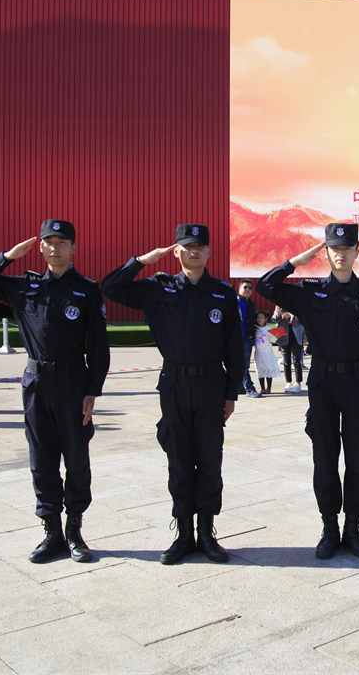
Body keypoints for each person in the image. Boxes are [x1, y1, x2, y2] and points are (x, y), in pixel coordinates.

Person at [102, 223, 243, 566]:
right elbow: (111, 287)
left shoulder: (223, 294)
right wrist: (142, 260)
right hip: (174, 384)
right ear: (176, 250)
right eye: (187, 246)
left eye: (200, 246)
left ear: (209, 252)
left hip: (211, 384)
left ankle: (207, 533)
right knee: (178, 458)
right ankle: (183, 533)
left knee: (209, 460)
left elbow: (236, 348)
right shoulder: (157, 287)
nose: (194, 251)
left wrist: (231, 393)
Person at [0, 220, 108, 564]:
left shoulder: (87, 290)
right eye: (48, 242)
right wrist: (8, 256)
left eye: (62, 242)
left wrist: (94, 390)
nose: (54, 247)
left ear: (74, 249)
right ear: (41, 246)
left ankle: (74, 530)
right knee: (41, 458)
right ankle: (51, 532)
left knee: (76, 459)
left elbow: (99, 346)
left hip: (74, 383)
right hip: (35, 383)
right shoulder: (24, 286)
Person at [257, 223, 359, 560]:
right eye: (334, 248)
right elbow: (266, 285)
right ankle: (330, 528)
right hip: (323, 383)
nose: (341, 254)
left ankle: (353, 527)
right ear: (326, 252)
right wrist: (296, 262)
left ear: (357, 252)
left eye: (347, 249)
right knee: (325, 459)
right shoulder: (309, 293)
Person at [236, 279, 261, 399]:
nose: (248, 290)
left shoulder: (250, 304)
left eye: (250, 288)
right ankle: (249, 388)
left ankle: (240, 387)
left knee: (243, 364)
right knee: (243, 364)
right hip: (239, 338)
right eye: (245, 287)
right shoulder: (235, 302)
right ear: (239, 288)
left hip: (249, 339)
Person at [275, 306, 305, 393]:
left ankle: (298, 383)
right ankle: (288, 382)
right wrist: (278, 314)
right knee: (286, 361)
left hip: (297, 335)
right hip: (283, 334)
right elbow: (274, 319)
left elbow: (304, 318)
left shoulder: (297, 305)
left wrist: (294, 314)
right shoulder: (279, 305)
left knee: (297, 361)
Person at [253, 311, 280, 394]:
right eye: (258, 318)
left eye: (261, 318)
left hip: (267, 352)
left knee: (268, 369)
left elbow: (272, 340)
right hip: (259, 352)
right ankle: (262, 387)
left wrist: (276, 336)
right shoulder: (255, 328)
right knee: (260, 369)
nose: (259, 319)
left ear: (265, 319)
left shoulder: (268, 329)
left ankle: (268, 388)